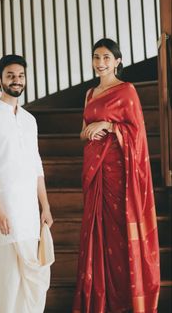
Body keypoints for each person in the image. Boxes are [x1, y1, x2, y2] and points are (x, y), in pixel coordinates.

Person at [73, 38, 160, 313]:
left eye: (107, 58)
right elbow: (82, 131)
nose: (100, 63)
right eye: (97, 57)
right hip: (94, 172)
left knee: (119, 235)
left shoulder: (126, 91)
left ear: (117, 61)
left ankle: (126, 299)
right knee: (96, 234)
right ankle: (99, 299)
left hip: (118, 174)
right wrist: (90, 130)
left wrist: (109, 125)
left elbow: (137, 133)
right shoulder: (89, 93)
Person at [0, 54, 54, 313]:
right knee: (5, 281)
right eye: (10, 76)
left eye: (20, 75)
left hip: (29, 211)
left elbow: (36, 164)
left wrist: (45, 206)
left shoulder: (30, 120)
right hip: (4, 210)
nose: (16, 80)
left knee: (30, 284)